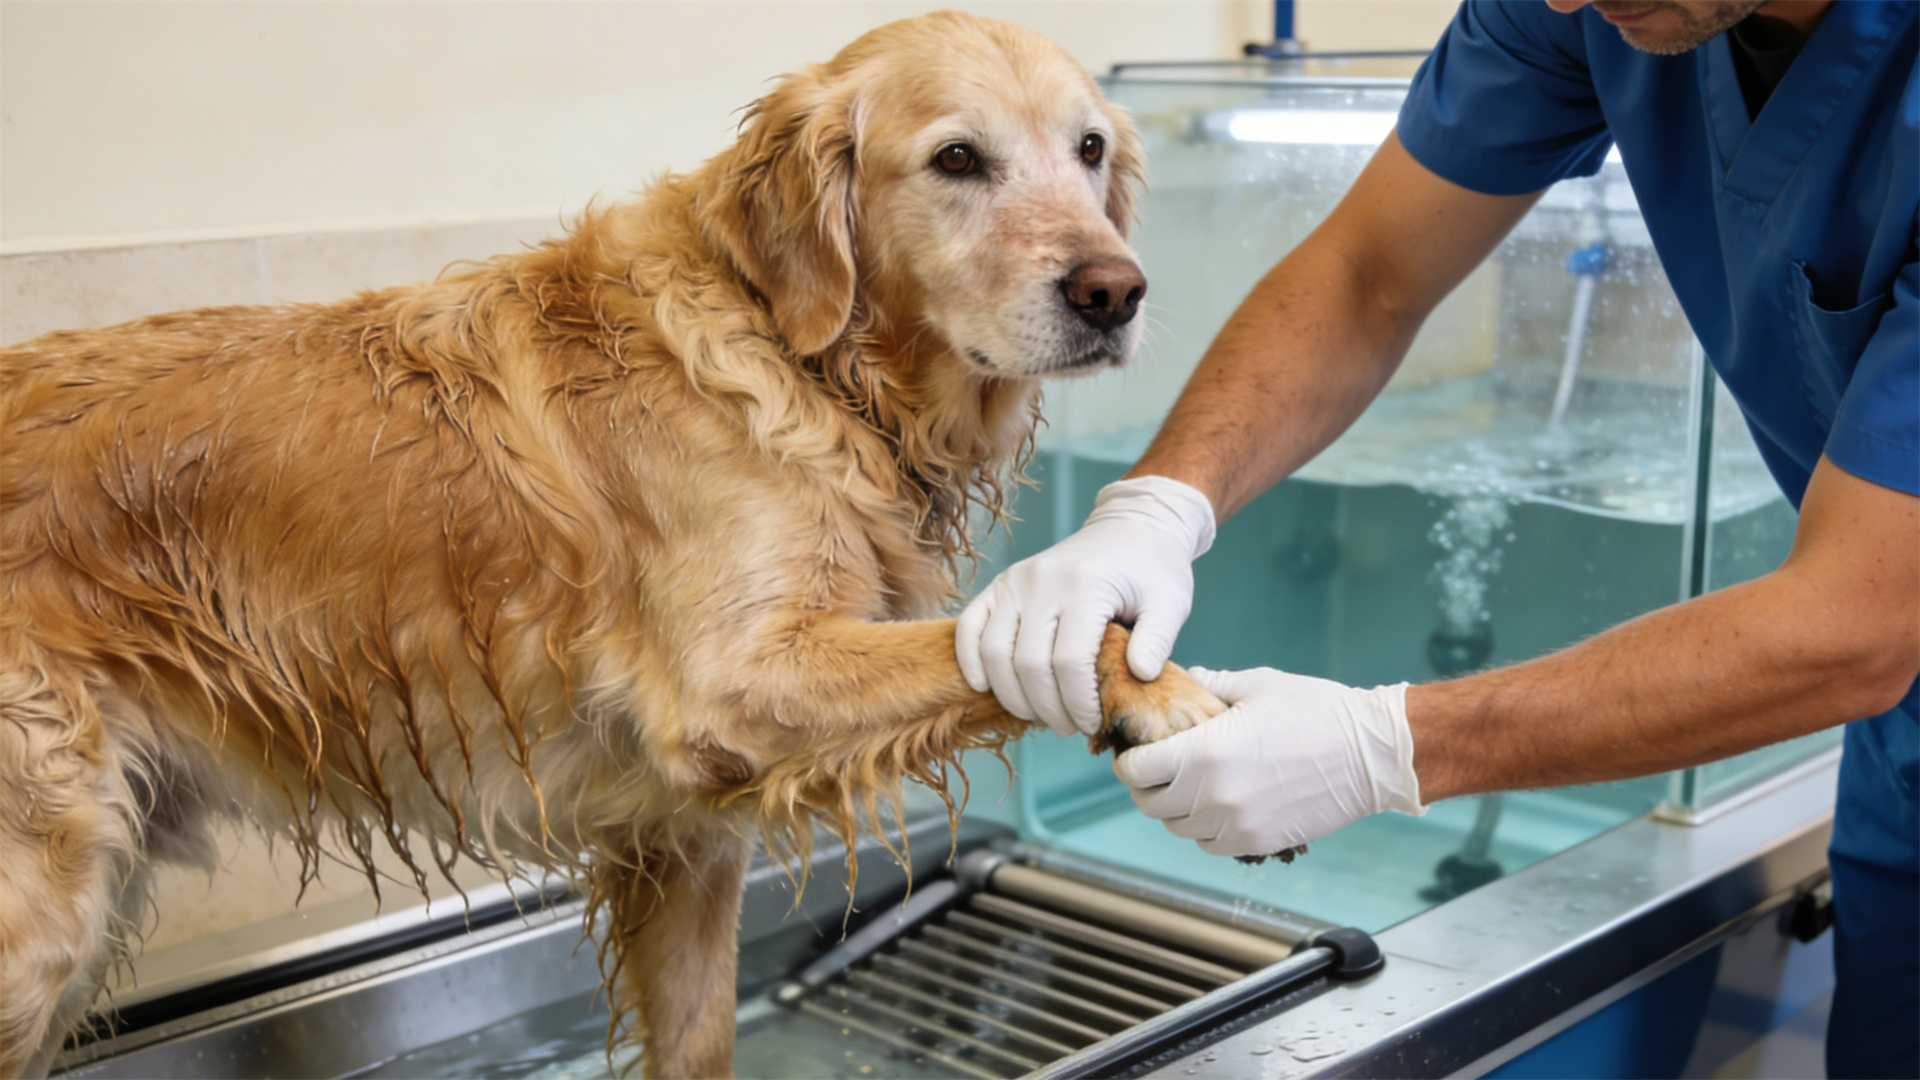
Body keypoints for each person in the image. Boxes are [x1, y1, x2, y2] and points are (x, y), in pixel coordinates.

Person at [955, 1, 1917, 1075]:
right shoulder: (1592, 7)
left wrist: (1394, 745)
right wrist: (1155, 507)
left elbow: (1859, 623)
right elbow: (1370, 272)